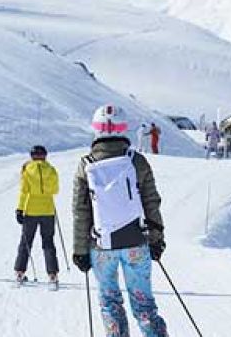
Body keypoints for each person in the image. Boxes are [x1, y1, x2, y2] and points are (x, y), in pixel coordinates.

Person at [72, 104, 168, 337]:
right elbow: (151, 202)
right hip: (136, 242)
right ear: (124, 128)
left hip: (101, 246)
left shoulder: (86, 165)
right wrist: (156, 238)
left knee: (110, 302)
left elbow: (81, 211)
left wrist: (80, 250)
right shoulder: (137, 161)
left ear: (96, 129)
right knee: (143, 304)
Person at [14, 144, 60, 289]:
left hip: (31, 211)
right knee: (48, 242)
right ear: (45, 156)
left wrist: (20, 209)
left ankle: (19, 273)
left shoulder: (27, 170)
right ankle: (52, 276)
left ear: (32, 156)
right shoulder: (51, 170)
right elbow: (55, 190)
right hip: (48, 210)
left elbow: (23, 191)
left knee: (26, 242)